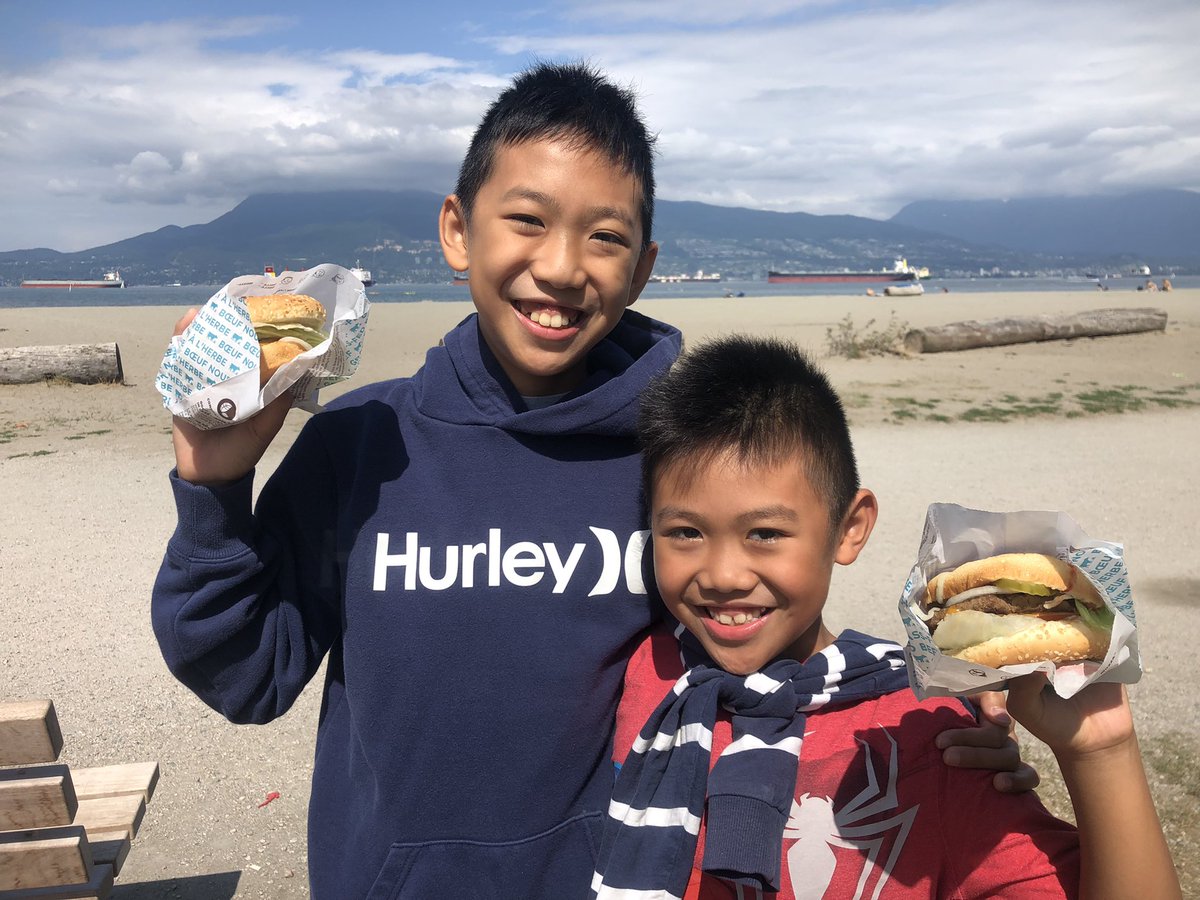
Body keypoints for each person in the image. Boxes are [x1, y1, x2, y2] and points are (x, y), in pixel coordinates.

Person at [153, 63, 1034, 898]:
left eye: (605, 237)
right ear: (458, 230)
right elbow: (245, 679)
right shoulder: (357, 444)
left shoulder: (674, 456)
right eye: (527, 220)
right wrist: (214, 479)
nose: (564, 266)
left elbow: (766, 620)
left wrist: (931, 711)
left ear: (643, 265)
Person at [596, 334, 1180, 899]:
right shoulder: (636, 669)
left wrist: (1101, 751)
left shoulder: (928, 733)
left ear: (850, 528)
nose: (724, 574)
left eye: (765, 533)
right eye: (685, 533)